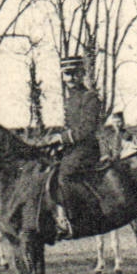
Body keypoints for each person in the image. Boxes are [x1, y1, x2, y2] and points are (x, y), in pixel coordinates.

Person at [52, 55, 107, 236]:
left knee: (65, 173)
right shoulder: (71, 99)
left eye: (74, 74)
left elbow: (87, 129)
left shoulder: (90, 97)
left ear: (82, 74)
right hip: (72, 149)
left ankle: (75, 219)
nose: (70, 79)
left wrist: (63, 138)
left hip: (86, 150)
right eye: (67, 74)